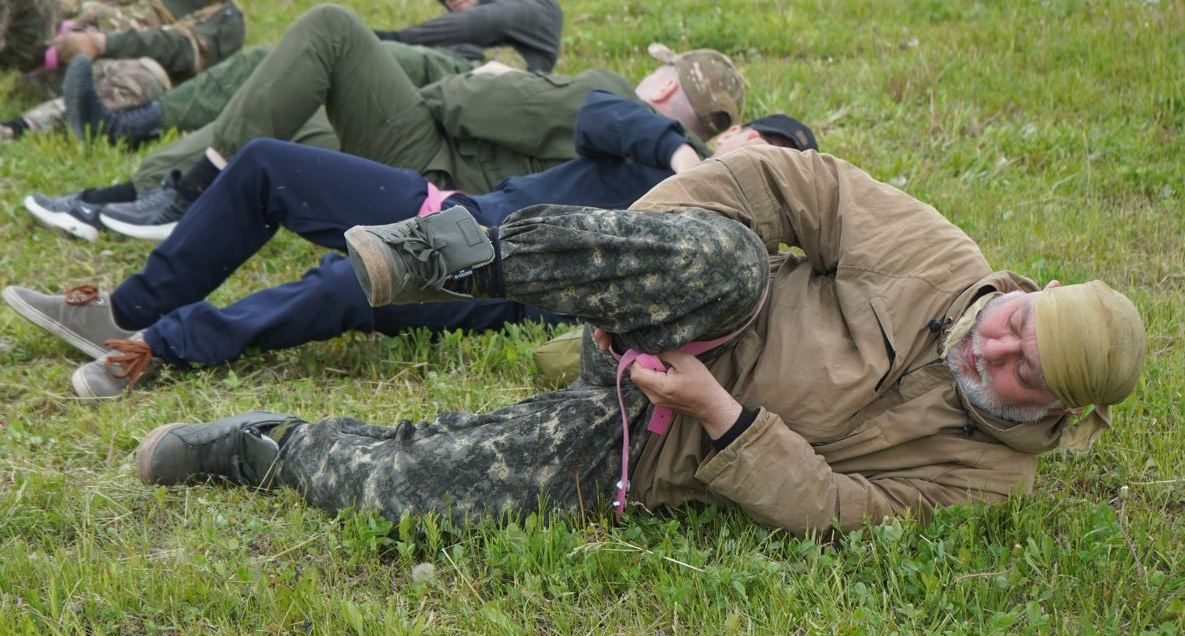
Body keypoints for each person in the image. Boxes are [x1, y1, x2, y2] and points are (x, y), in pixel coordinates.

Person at [130, 146, 1143, 536]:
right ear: (1028, 291)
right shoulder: (940, 255)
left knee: (422, 498)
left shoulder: (986, 474)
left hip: (667, 433)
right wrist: (626, 265)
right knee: (730, 257)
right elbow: (790, 181)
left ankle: (267, 447)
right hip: (691, 302)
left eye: (1025, 375)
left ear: (1059, 411)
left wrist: (723, 418)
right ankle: (457, 251)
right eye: (1015, 328)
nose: (996, 355)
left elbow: (843, 510)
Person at [3, 95, 810, 398]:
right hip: (452, 206)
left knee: (339, 285)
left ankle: (153, 348)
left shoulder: (716, 239)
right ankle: (125, 307)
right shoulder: (647, 146)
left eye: (769, 154)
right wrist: (679, 152)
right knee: (265, 167)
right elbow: (599, 110)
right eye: (749, 134)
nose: (749, 147)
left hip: (490, 272)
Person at [21, 4, 743, 243]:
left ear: (660, 82)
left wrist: (476, 80)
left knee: (329, 32)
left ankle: (175, 196)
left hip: (433, 168)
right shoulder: (652, 170)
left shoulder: (605, 92)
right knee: (282, 107)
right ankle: (138, 190)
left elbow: (471, 106)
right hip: (454, 192)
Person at [60, 0, 565, 146]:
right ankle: (148, 157)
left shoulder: (535, 9)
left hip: (469, 84)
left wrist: (345, 42)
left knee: (291, 56)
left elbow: (423, 36)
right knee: (281, 98)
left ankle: (131, 124)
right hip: (431, 95)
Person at [0, 0, 244, 141]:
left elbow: (182, 52)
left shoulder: (226, 18)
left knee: (148, 75)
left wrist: (100, 43)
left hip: (106, 76)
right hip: (51, 45)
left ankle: (19, 128)